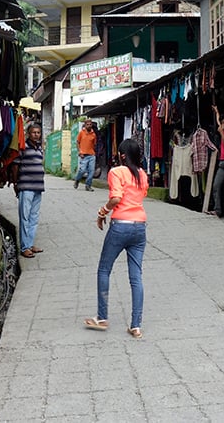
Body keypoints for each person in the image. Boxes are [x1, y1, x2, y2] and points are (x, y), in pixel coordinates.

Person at [84, 138, 148, 338]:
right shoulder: (142, 174)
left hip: (120, 226)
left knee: (104, 270)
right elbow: (141, 196)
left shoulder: (116, 172)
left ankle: (102, 318)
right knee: (136, 277)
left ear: (122, 155)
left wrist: (102, 212)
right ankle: (136, 325)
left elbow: (116, 198)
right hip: (140, 227)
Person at [14, 123, 45, 258]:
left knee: (34, 217)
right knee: (25, 217)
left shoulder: (40, 148)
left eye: (38, 132)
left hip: (38, 187)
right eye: (34, 132)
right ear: (28, 133)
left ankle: (30, 243)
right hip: (26, 187)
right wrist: (16, 183)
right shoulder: (23, 147)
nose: (36, 135)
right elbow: (15, 165)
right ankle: (24, 247)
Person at [74, 119, 98, 191]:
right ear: (85, 125)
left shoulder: (93, 134)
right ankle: (77, 180)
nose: (89, 126)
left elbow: (94, 144)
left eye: (90, 124)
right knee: (82, 170)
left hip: (91, 155)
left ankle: (88, 185)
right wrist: (80, 152)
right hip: (83, 155)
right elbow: (77, 142)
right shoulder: (81, 133)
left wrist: (92, 152)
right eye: (87, 124)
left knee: (91, 171)